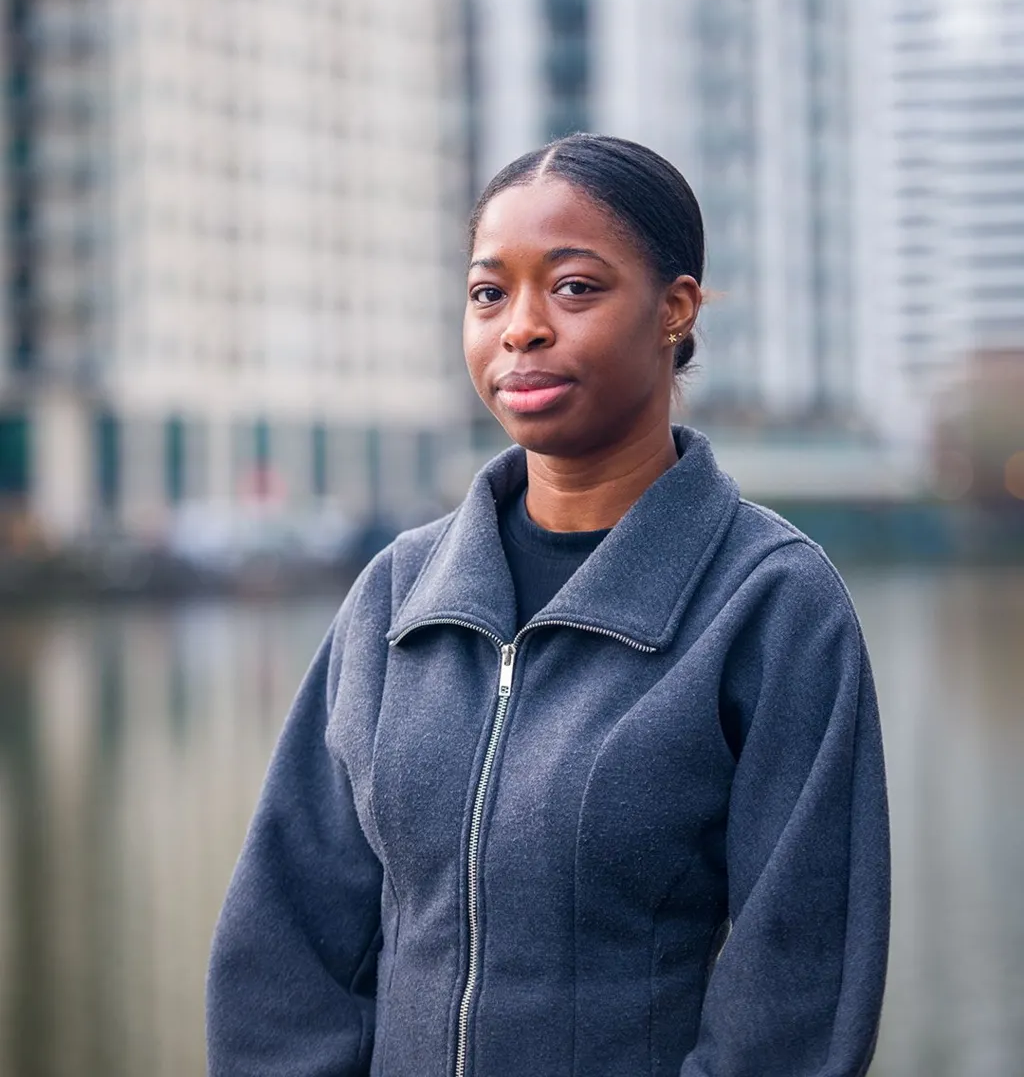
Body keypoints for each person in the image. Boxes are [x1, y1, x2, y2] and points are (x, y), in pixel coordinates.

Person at [207, 134, 890, 1077]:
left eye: (574, 288)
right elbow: (284, 949)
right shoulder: (397, 597)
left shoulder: (771, 601)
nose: (520, 327)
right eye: (490, 294)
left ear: (674, 310)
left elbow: (795, 992)